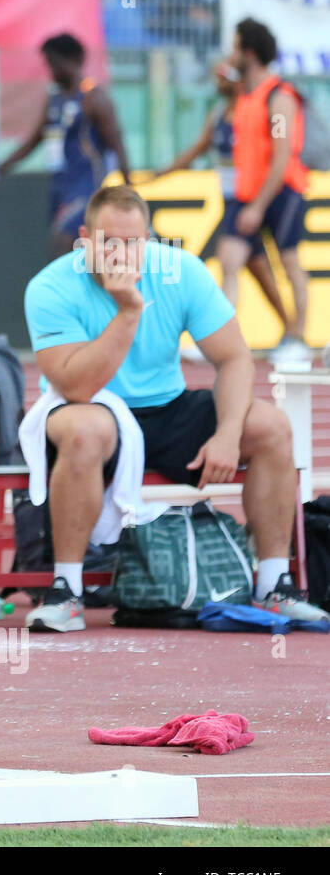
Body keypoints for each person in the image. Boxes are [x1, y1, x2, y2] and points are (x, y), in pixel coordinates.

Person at [22, 185, 324, 632]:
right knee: (87, 429)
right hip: (91, 408)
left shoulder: (182, 272)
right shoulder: (50, 286)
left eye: (133, 243)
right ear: (84, 238)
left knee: (271, 427)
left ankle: (274, 583)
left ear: (149, 240)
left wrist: (226, 433)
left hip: (167, 408)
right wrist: (128, 311)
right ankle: (67, 589)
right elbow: (76, 385)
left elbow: (235, 358)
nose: (121, 254)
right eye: (109, 242)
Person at [153, 60, 288, 339]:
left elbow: (276, 149)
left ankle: (221, 337)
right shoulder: (217, 115)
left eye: (224, 76)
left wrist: (259, 202)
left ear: (239, 79)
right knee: (260, 272)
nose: (218, 82)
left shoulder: (254, 110)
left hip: (249, 201)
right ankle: (290, 329)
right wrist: (158, 175)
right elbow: (196, 150)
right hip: (231, 202)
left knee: (229, 264)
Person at [222, 18, 312, 364]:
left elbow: (282, 154)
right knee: (230, 260)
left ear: (249, 51)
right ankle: (222, 338)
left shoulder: (279, 97)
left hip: (281, 192)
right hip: (248, 194)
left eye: (235, 46)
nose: (231, 53)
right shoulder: (245, 94)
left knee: (290, 263)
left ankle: (299, 338)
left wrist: (258, 205)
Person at [0, 33, 131, 260]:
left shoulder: (94, 99)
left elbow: (117, 145)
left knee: (64, 244)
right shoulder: (55, 100)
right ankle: (88, 294)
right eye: (49, 64)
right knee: (77, 253)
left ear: (74, 60)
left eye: (55, 64)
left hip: (88, 189)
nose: (51, 70)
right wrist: (0, 168)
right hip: (60, 188)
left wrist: (129, 189)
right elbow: (34, 141)